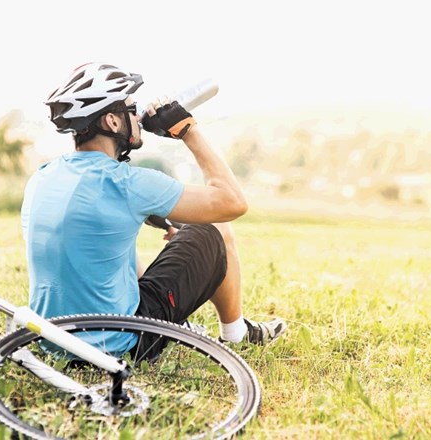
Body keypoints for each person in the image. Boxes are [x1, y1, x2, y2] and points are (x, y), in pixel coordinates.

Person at [21, 62, 286, 357]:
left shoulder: (43, 176)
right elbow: (232, 203)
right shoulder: (127, 182)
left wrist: (161, 221)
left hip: (53, 342)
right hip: (119, 345)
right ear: (112, 121)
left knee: (112, 251)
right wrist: (187, 130)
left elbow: (99, 235)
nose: (137, 116)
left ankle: (186, 322)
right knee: (214, 231)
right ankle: (236, 334)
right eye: (131, 110)